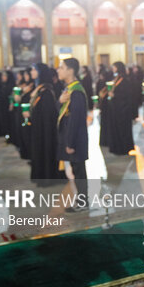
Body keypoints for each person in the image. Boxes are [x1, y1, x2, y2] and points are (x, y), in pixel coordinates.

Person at [57, 58, 89, 211]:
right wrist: (59, 101)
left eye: (62, 67)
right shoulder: (69, 89)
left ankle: (83, 203)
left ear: (70, 71)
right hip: (72, 139)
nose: (59, 70)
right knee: (77, 171)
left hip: (75, 141)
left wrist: (70, 143)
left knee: (79, 172)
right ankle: (81, 201)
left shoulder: (76, 91)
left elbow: (75, 120)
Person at [27, 63, 64, 185]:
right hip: (38, 128)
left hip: (45, 130)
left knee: (45, 151)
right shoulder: (39, 89)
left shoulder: (46, 91)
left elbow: (47, 115)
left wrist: (32, 115)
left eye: (34, 69)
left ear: (40, 72)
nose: (31, 72)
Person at [106, 61, 135, 155]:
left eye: (114, 67)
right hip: (116, 109)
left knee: (122, 129)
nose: (113, 69)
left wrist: (114, 95)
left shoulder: (124, 80)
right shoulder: (116, 78)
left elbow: (126, 95)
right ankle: (116, 147)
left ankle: (123, 148)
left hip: (123, 109)